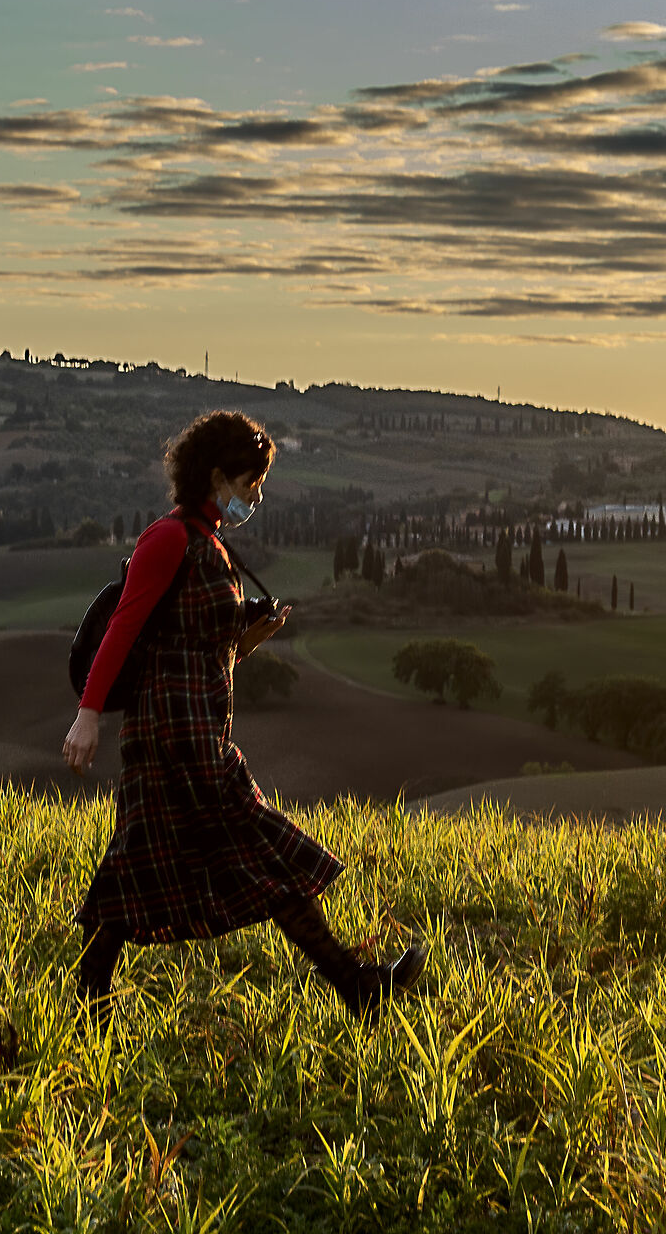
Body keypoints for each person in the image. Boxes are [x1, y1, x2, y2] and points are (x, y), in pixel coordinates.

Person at [63, 409, 425, 1022]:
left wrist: (250, 637)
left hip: (201, 731)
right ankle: (354, 984)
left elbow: (202, 646)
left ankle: (88, 992)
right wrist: (89, 713)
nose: (255, 496)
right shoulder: (168, 538)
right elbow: (124, 626)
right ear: (216, 477)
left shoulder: (209, 545)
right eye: (250, 484)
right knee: (259, 856)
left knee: (145, 865)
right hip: (172, 741)